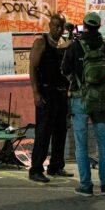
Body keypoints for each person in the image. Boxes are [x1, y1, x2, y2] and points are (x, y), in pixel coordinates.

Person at [61, 12, 105, 196]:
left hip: (80, 98)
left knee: (81, 144)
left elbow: (65, 69)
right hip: (100, 99)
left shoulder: (75, 45)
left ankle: (86, 185)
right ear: (99, 27)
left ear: (84, 25)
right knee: (103, 144)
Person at [27, 12, 71, 183]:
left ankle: (56, 166)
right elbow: (32, 69)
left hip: (61, 94)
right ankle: (36, 169)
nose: (57, 29)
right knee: (43, 132)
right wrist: (35, 92)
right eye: (54, 26)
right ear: (49, 26)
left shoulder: (63, 45)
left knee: (60, 131)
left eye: (60, 26)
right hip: (46, 93)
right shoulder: (41, 43)